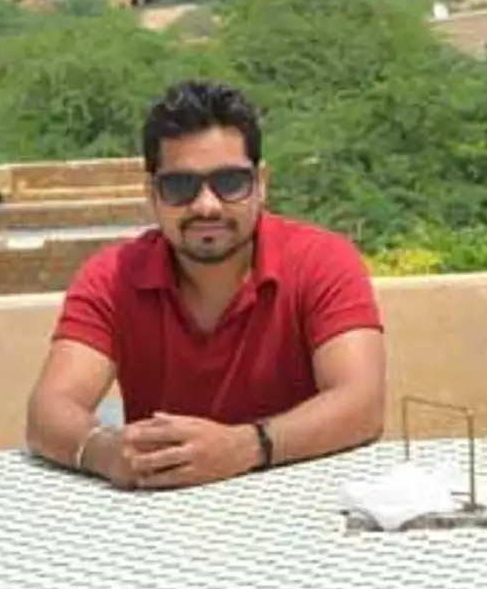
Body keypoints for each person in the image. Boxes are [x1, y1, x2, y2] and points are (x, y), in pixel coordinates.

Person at [26, 80, 386, 489]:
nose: (206, 205)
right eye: (180, 186)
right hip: (164, 506)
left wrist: (245, 448)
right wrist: (106, 452)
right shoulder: (113, 277)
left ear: (261, 183)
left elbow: (362, 402)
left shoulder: (320, 262)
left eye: (230, 182)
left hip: (300, 497)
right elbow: (49, 410)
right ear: (151, 193)